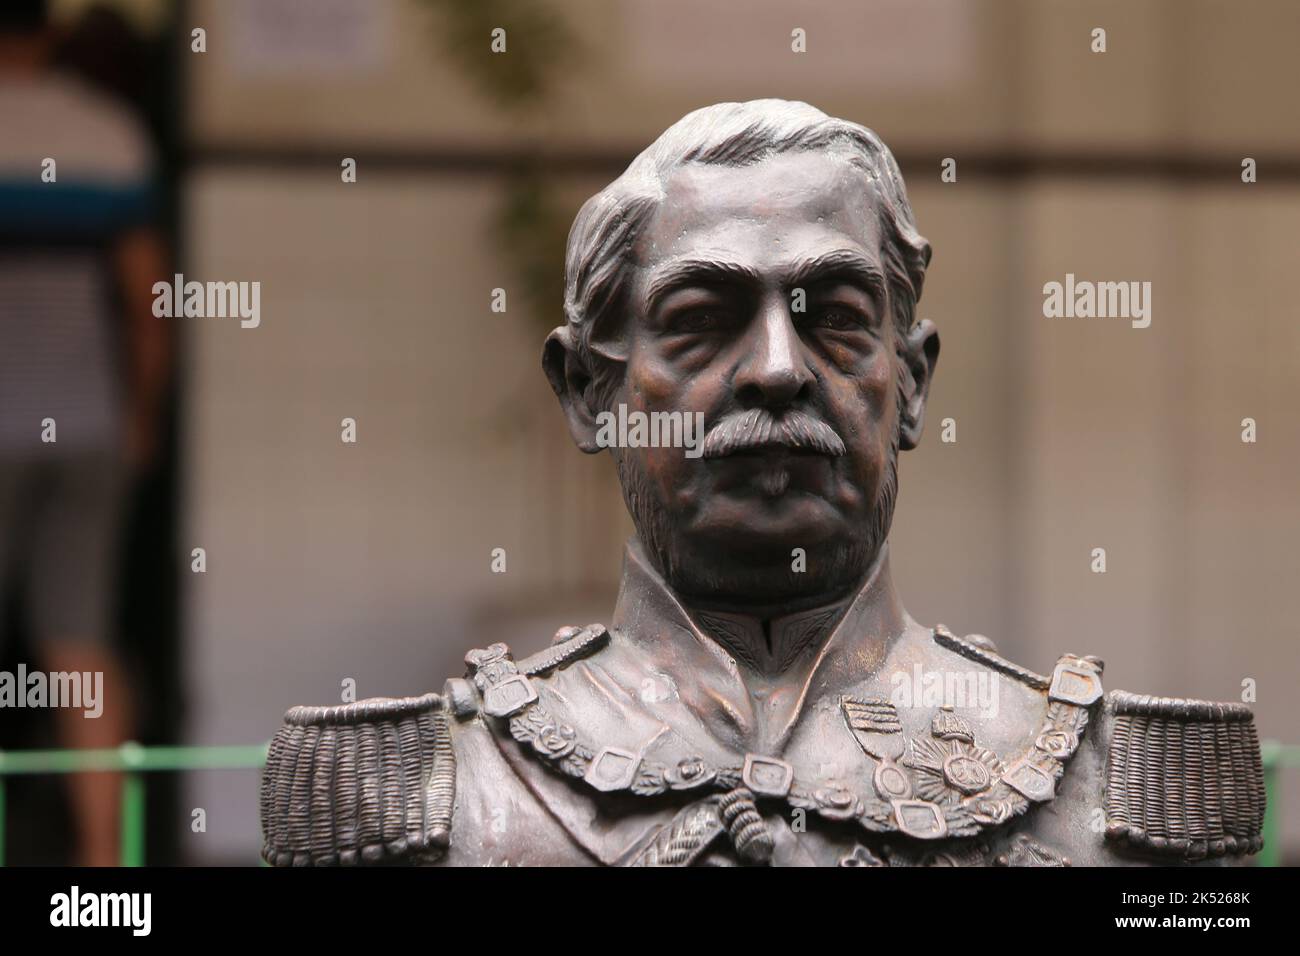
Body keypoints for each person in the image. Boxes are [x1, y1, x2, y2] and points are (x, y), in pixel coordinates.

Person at [260, 100, 1264, 866]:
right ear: (588, 390)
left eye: (833, 313)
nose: (777, 368)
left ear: (910, 385)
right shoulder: (414, 802)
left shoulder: (1122, 792)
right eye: (703, 315)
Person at [0, 0, 170, 866]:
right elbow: (149, 305)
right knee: (81, 645)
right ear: (53, 31)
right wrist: (141, 420)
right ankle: (103, 870)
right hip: (87, 426)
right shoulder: (107, 132)